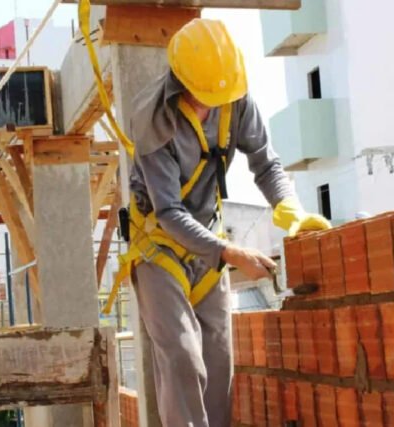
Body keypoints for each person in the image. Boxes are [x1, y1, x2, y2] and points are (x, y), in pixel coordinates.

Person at [124, 18, 330, 426]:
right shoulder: (153, 119)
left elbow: (265, 164)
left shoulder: (235, 100)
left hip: (209, 241)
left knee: (218, 366)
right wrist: (231, 253)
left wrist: (291, 210)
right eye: (204, 98)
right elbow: (168, 213)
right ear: (181, 83)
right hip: (160, 245)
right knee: (183, 356)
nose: (211, 107)